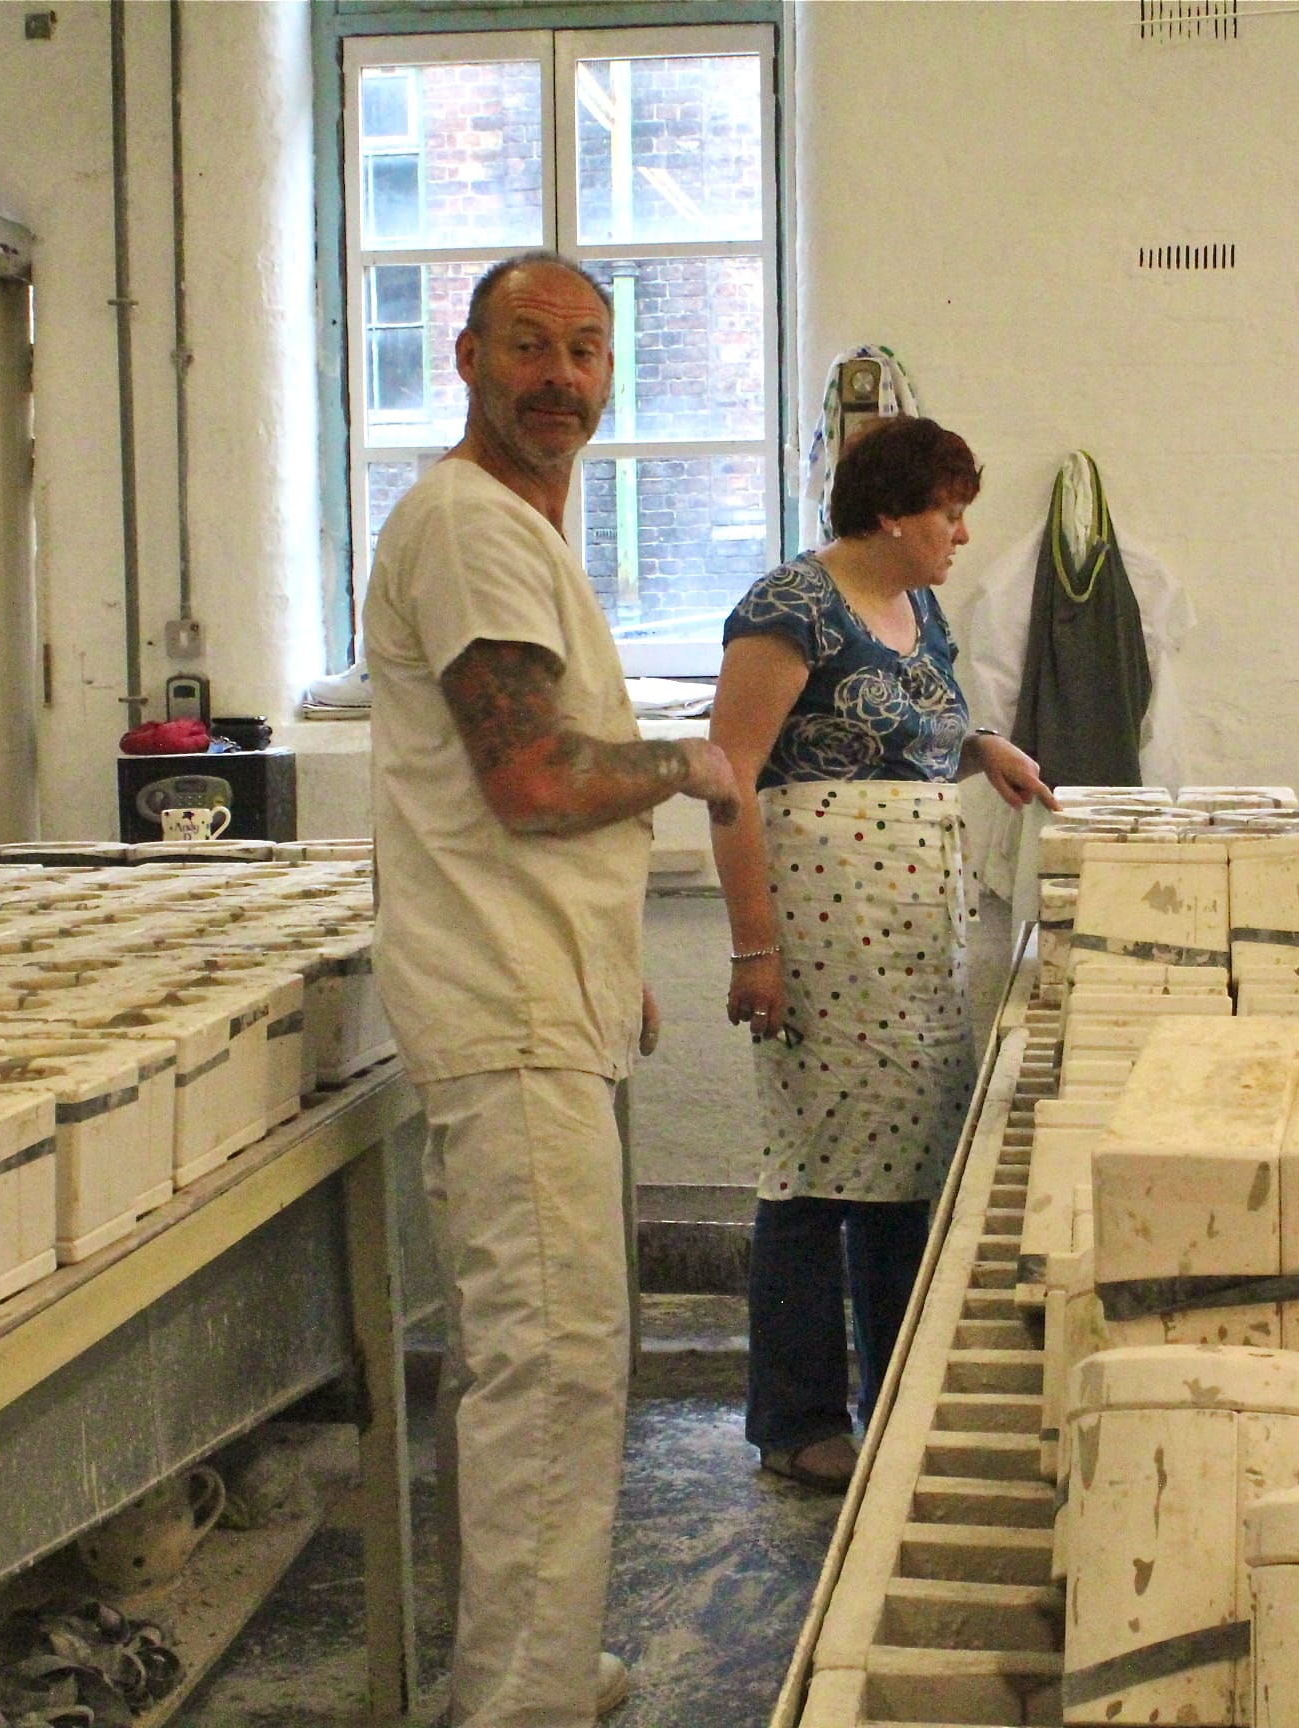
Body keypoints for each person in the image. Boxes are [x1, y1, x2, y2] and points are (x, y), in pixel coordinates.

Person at [365, 250, 740, 1725]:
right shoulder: (471, 528)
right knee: (556, 1370)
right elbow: (529, 779)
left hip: (536, 991)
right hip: (506, 1010)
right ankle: (520, 1705)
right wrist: (689, 761)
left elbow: (526, 798)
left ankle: (528, 1670)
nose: (561, 378)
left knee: (532, 1362)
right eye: (529, 346)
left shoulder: (513, 526)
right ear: (467, 358)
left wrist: (608, 965)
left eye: (586, 351)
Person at [706, 417, 1057, 1491]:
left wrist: (982, 747)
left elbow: (917, 732)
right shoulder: (790, 607)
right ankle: (797, 1419)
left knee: (906, 1169)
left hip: (913, 939)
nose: (961, 535)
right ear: (894, 514)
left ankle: (899, 1397)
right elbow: (729, 779)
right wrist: (754, 949)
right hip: (820, 936)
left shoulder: (919, 609)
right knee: (817, 1172)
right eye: (949, 513)